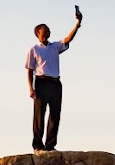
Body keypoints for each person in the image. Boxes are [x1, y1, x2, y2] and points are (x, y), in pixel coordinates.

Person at [25, 8, 82, 152]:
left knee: (55, 114)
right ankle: (38, 146)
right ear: (38, 33)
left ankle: (50, 146)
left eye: (49, 31)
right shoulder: (34, 50)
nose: (48, 32)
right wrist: (31, 88)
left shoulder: (55, 46)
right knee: (39, 115)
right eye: (45, 31)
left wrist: (77, 24)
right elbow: (29, 70)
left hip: (55, 83)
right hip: (41, 82)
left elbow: (68, 39)